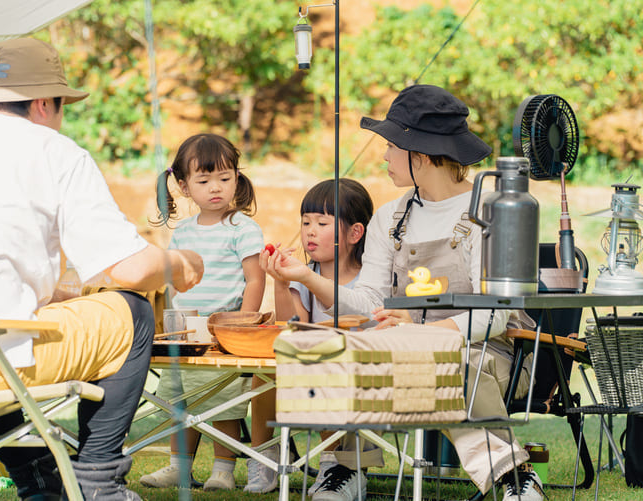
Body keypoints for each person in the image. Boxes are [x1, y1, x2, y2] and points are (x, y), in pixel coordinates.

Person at [0, 37, 204, 501]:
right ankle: (98, 482)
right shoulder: (53, 151)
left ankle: (42, 483)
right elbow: (128, 269)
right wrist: (183, 264)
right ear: (44, 102)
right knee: (133, 314)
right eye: (62, 104)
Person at [262, 84, 543, 501]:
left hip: (490, 351)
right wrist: (307, 276)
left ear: (422, 155)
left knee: (449, 363)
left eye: (391, 146)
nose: (384, 156)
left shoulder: (490, 211)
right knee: (341, 348)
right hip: (407, 345)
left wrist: (426, 332)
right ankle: (346, 467)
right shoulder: (389, 217)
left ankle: (513, 475)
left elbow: (495, 314)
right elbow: (371, 301)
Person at [140, 133, 266, 491]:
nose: (216, 188)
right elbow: (176, 279)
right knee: (179, 400)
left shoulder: (243, 228)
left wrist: (243, 325)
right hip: (186, 330)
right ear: (183, 186)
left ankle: (223, 470)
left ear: (237, 180)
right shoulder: (182, 232)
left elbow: (255, 279)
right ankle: (178, 466)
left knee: (223, 402)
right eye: (204, 180)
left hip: (225, 331)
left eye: (225, 179)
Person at [246, 178, 373, 494]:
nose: (310, 231)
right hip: (308, 364)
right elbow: (292, 325)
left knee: (327, 369)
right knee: (265, 375)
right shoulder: (305, 277)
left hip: (355, 370)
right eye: (305, 223)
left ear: (355, 233)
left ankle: (335, 462)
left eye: (322, 222)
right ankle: (266, 456)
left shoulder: (370, 279)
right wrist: (279, 282)